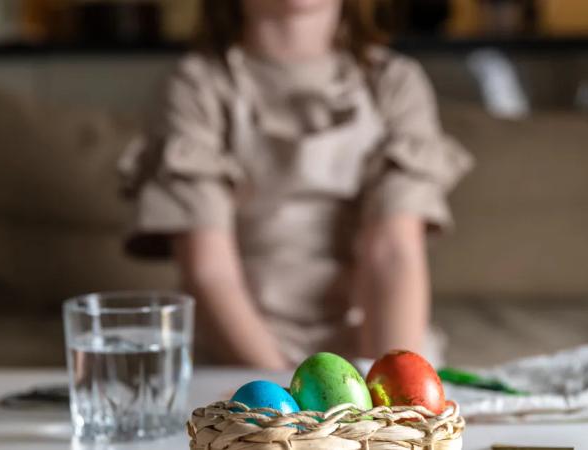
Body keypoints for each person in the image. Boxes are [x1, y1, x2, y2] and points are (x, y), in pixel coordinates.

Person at [119, 0, 472, 369]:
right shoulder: (195, 84)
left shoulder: (394, 81)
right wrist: (285, 398)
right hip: (240, 353)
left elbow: (392, 253)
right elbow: (209, 272)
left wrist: (386, 391)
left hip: (373, 342)